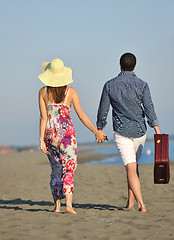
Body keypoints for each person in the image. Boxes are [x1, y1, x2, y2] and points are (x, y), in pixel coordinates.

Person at [38, 58, 106, 214]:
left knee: (55, 169)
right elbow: (81, 115)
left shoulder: (43, 92)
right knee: (68, 168)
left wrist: (41, 140)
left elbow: (43, 117)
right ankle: (68, 205)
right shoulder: (71, 92)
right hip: (67, 135)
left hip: (50, 135)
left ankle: (56, 206)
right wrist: (96, 131)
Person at [96, 53, 160, 213]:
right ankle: (130, 203)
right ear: (135, 66)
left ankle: (141, 205)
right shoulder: (143, 85)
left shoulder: (109, 85)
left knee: (130, 168)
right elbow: (149, 108)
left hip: (122, 131)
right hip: (140, 131)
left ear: (119, 65)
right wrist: (156, 127)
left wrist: (99, 127)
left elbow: (103, 109)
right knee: (132, 167)